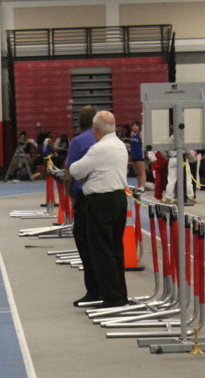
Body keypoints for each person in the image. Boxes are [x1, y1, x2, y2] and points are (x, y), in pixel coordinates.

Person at [67, 110, 130, 308]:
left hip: (101, 201)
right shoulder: (120, 145)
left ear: (95, 129)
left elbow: (75, 170)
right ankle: (120, 294)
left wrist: (86, 175)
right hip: (119, 198)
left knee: (101, 250)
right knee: (115, 248)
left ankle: (110, 298)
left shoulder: (99, 148)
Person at [63, 105, 98, 307]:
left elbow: (68, 173)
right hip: (106, 195)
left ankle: (93, 290)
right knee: (102, 244)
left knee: (84, 241)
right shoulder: (105, 139)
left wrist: (69, 193)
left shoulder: (78, 141)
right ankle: (111, 290)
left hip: (84, 196)